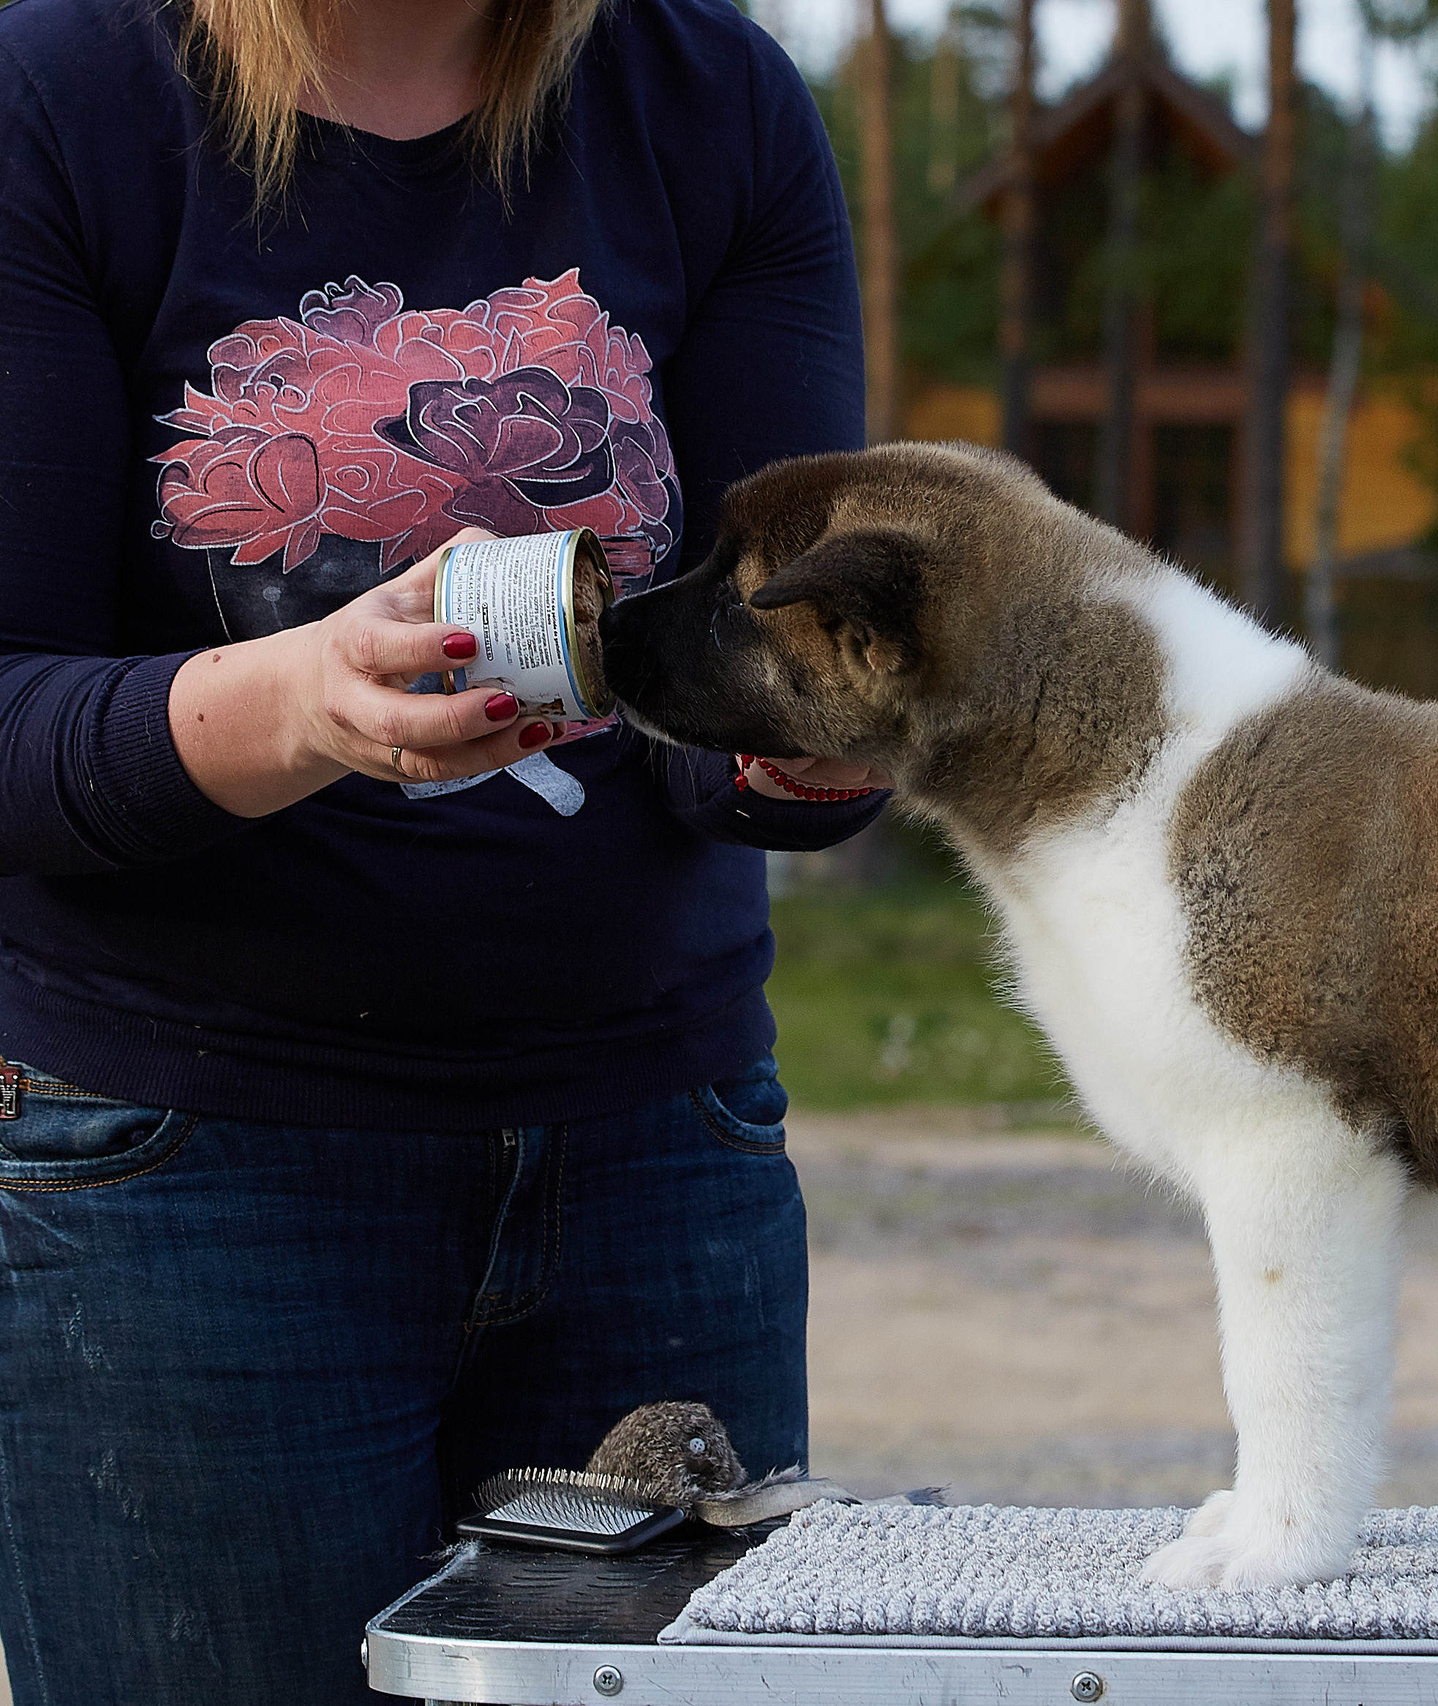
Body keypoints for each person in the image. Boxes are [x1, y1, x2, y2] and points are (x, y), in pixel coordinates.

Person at [0, 0, 888, 1695]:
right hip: (184, 1179)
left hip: (658, 1153)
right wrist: (307, 703)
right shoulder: (56, 94)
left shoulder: (716, 101)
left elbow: (743, 698)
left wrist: (822, 746)